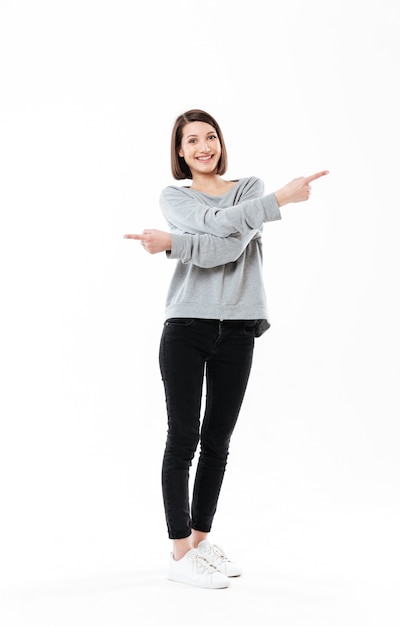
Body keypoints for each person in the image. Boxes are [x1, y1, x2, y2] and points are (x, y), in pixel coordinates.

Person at [124, 109, 328, 589]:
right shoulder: (174, 195)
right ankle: (178, 554)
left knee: (218, 443)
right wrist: (278, 201)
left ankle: (199, 541)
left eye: (210, 136)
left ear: (220, 142)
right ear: (179, 151)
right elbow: (220, 237)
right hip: (186, 326)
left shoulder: (248, 187)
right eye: (191, 140)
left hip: (238, 327)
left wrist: (176, 243)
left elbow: (228, 245)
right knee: (184, 439)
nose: (203, 146)